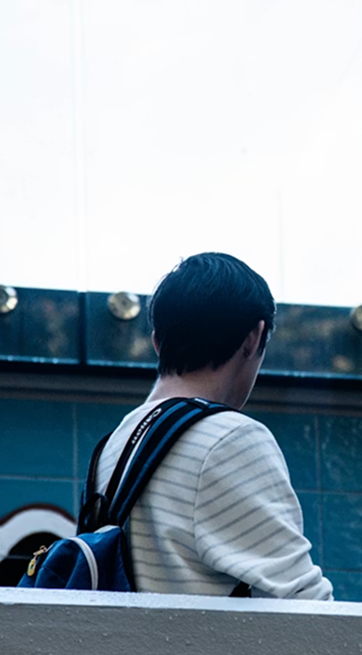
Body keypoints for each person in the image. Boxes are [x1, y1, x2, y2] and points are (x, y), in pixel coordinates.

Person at [96, 252, 333, 600]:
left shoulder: (113, 446)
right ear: (254, 337)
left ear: (157, 343)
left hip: (131, 652)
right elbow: (303, 602)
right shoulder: (230, 439)